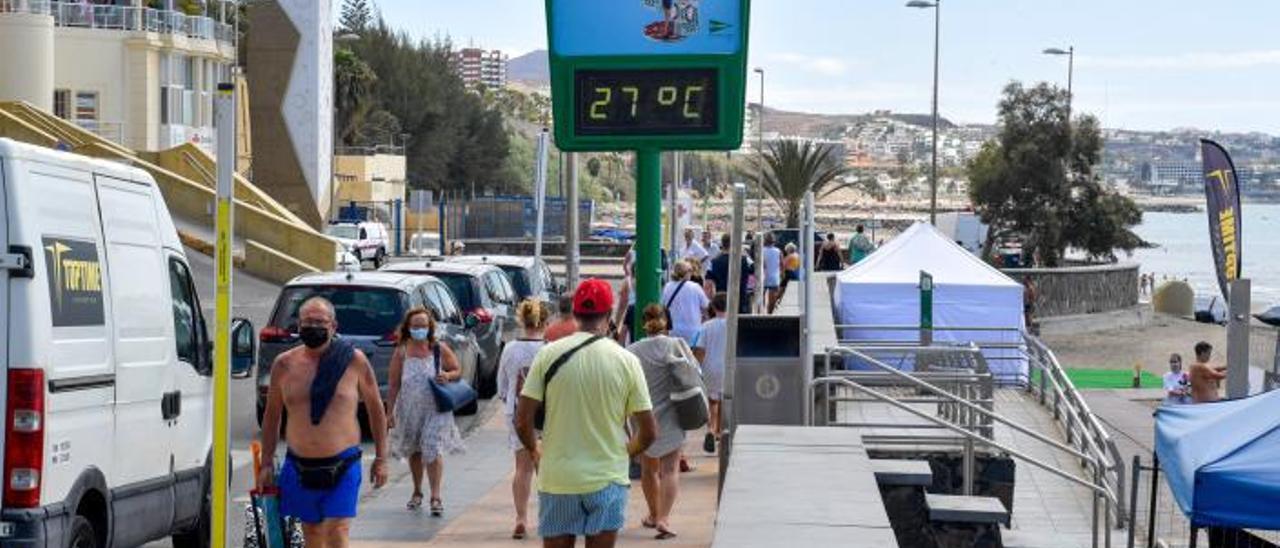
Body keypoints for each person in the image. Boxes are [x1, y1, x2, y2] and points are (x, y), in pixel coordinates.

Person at [515, 279, 658, 548]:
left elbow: (522, 421)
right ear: (608, 315)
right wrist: (625, 451)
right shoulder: (626, 360)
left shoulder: (547, 355)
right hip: (607, 476)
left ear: (575, 313)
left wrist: (534, 449)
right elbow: (649, 432)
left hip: (558, 477)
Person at [258, 297, 390, 546]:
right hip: (299, 465)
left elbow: (375, 409)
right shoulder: (284, 365)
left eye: (320, 321)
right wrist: (266, 462)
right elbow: (272, 416)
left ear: (333, 326)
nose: (313, 326)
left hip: (343, 463)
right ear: (298, 325)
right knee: (313, 532)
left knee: (337, 529)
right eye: (307, 321)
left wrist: (382, 458)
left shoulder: (354, 360)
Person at [628, 304, 702, 541]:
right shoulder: (676, 344)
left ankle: (652, 513)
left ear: (642, 324)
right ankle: (664, 518)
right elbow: (695, 373)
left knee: (649, 469)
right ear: (667, 322)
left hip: (644, 417)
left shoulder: (632, 351)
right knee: (670, 469)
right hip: (673, 413)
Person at [386, 307, 466, 517]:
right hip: (410, 408)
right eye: (415, 326)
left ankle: (436, 496)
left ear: (430, 327)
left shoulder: (438, 348)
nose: (419, 330)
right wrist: (389, 412)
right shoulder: (402, 351)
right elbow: (393, 384)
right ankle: (417, 490)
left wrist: (447, 376)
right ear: (408, 328)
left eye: (423, 326)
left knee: (432, 447)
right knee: (415, 449)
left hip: (435, 408)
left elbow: (457, 369)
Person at [496, 299, 551, 539]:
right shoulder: (549, 349)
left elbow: (501, 386)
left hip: (517, 413)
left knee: (522, 468)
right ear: (546, 322)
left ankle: (521, 518)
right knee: (546, 468)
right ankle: (549, 515)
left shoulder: (510, 349)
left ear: (522, 320)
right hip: (547, 414)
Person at [693, 293, 728, 454]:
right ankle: (721, 434)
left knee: (712, 402)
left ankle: (710, 430)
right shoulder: (732, 324)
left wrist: (696, 368)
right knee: (724, 402)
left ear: (713, 307)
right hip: (727, 367)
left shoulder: (706, 326)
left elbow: (700, 350)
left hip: (710, 367)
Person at [662, 260, 710, 344]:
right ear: (686, 272)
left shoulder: (667, 286)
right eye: (690, 270)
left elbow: (664, 305)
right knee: (691, 356)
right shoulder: (695, 287)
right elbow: (706, 306)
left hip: (673, 330)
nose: (691, 273)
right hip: (693, 330)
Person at [705, 233, 752, 314]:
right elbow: (754, 268)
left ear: (722, 244)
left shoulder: (713, 262)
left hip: (722, 301)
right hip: (740, 299)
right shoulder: (744, 259)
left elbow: (708, 283)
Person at [762, 233, 782, 313]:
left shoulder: (762, 250)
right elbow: (782, 264)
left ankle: (762, 312)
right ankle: (770, 314)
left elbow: (762, 264)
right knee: (772, 298)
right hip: (774, 276)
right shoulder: (778, 251)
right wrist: (781, 274)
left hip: (763, 276)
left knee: (761, 296)